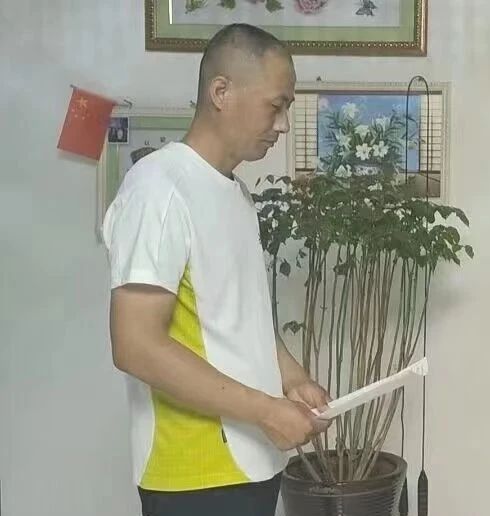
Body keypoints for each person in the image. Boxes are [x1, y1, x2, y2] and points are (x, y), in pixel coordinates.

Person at [102, 23, 330, 516]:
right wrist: (266, 410)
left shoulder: (235, 194)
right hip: (195, 475)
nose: (283, 125)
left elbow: (237, 316)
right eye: (276, 105)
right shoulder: (158, 189)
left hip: (253, 463)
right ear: (221, 92)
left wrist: (290, 378)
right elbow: (135, 345)